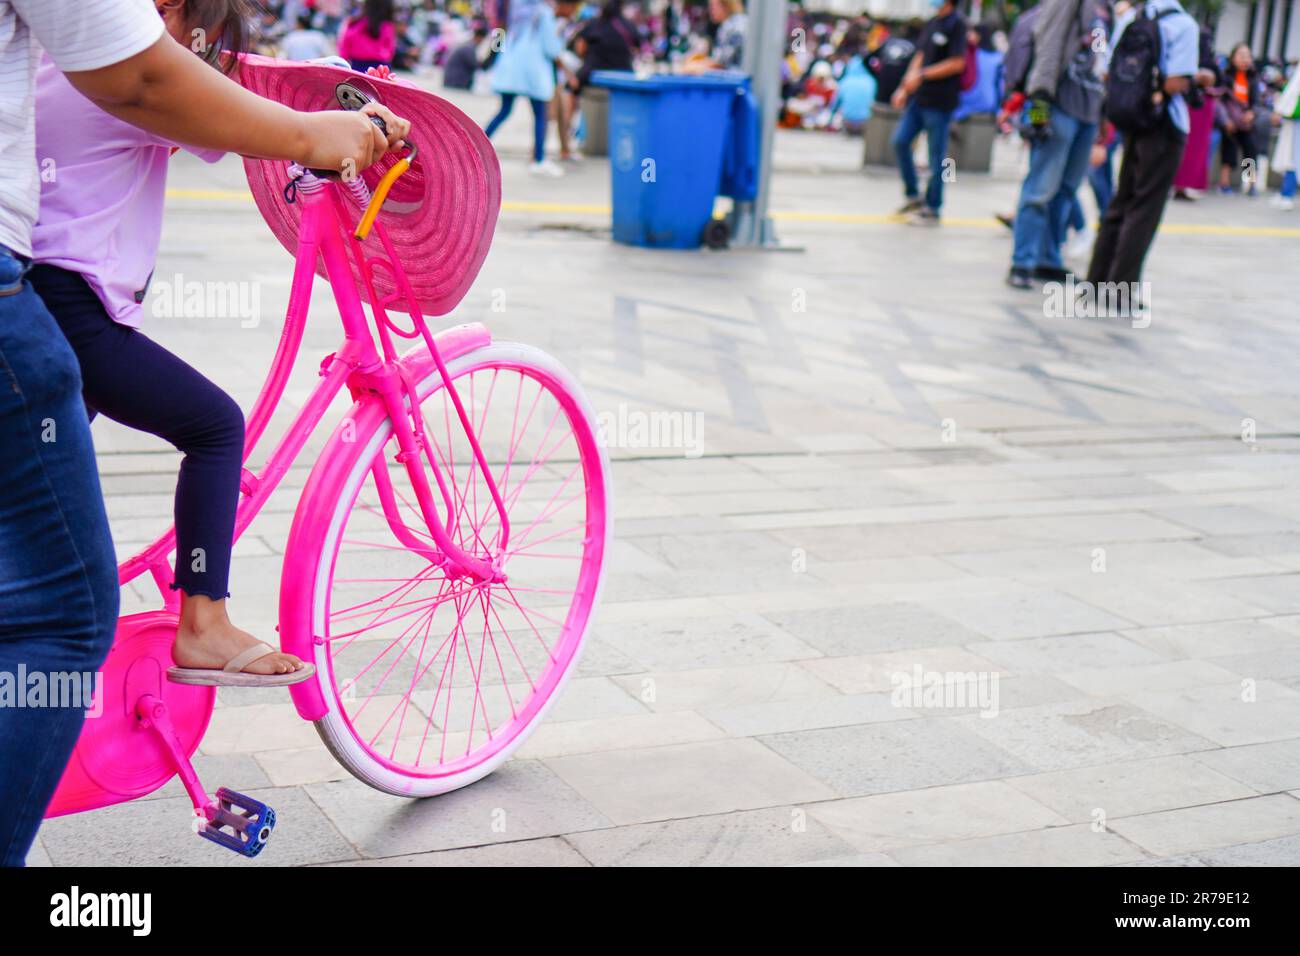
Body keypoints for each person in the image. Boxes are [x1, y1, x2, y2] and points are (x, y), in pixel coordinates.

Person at [0, 0, 406, 869]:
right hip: (66, 304)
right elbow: (215, 108)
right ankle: (204, 621)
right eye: (205, 30)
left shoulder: (55, 65)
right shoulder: (133, 76)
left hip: (49, 292)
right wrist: (356, 124)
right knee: (215, 426)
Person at [1085, 0, 1198, 290]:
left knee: (1122, 199)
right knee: (1145, 207)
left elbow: (1108, 68)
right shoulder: (1184, 25)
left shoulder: (1132, 18)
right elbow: (1177, 80)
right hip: (1164, 124)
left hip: (1132, 120)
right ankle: (1121, 288)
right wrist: (1165, 91)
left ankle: (1097, 279)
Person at [1005, 0, 1106, 289]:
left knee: (1066, 190)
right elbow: (1046, 48)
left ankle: (1048, 259)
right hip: (1058, 106)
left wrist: (1102, 119)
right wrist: (1039, 109)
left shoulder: (1107, 8)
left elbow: (1102, 63)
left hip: (1089, 110)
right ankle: (1022, 261)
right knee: (1040, 188)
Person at [890, 0, 968, 226]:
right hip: (919, 98)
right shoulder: (933, 22)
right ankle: (913, 195)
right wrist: (905, 87)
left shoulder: (958, 25)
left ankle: (933, 206)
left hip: (941, 101)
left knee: (937, 158)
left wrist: (922, 75)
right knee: (900, 141)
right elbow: (920, 55)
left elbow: (957, 63)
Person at [484, 0, 565, 177]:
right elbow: (551, 48)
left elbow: (500, 37)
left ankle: (476, 145)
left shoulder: (514, 8)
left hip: (510, 67)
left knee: (504, 111)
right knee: (540, 115)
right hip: (533, 71)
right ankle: (539, 160)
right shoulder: (543, 12)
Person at [1171, 25, 1220, 200]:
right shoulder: (1198, 62)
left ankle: (1246, 183)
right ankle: (1230, 184)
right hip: (1201, 111)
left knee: (1248, 153)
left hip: (1235, 123)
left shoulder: (1249, 76)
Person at [1217, 42, 1260, 195]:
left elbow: (1256, 102)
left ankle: (1251, 185)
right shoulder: (1225, 76)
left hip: (1246, 122)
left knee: (1251, 149)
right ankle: (1224, 182)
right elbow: (1219, 101)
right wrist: (1225, 120)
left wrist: (1252, 114)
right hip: (1230, 121)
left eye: (1248, 56)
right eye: (1241, 55)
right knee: (1229, 148)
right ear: (1233, 57)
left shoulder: (1253, 78)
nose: (1245, 59)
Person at [571, 0, 636, 92]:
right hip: (624, 74)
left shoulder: (593, 24)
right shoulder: (629, 25)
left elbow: (580, 47)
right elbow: (637, 47)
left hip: (592, 73)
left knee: (569, 88)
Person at [952, 22, 1003, 123]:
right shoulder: (998, 57)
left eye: (971, 33)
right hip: (989, 104)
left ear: (979, 36)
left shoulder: (970, 54)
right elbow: (1001, 86)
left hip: (966, 105)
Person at [339, 0, 397, 73]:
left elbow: (344, 52)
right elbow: (391, 51)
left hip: (357, 68)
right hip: (381, 71)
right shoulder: (388, 26)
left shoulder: (355, 24)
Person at [829, 55, 878, 134]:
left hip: (848, 124)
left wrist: (829, 120)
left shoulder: (844, 81)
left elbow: (834, 105)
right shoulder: (871, 81)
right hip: (866, 124)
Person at [443, 22, 488, 90]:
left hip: (453, 81)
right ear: (479, 38)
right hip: (455, 83)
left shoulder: (467, 45)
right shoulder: (468, 48)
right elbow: (476, 65)